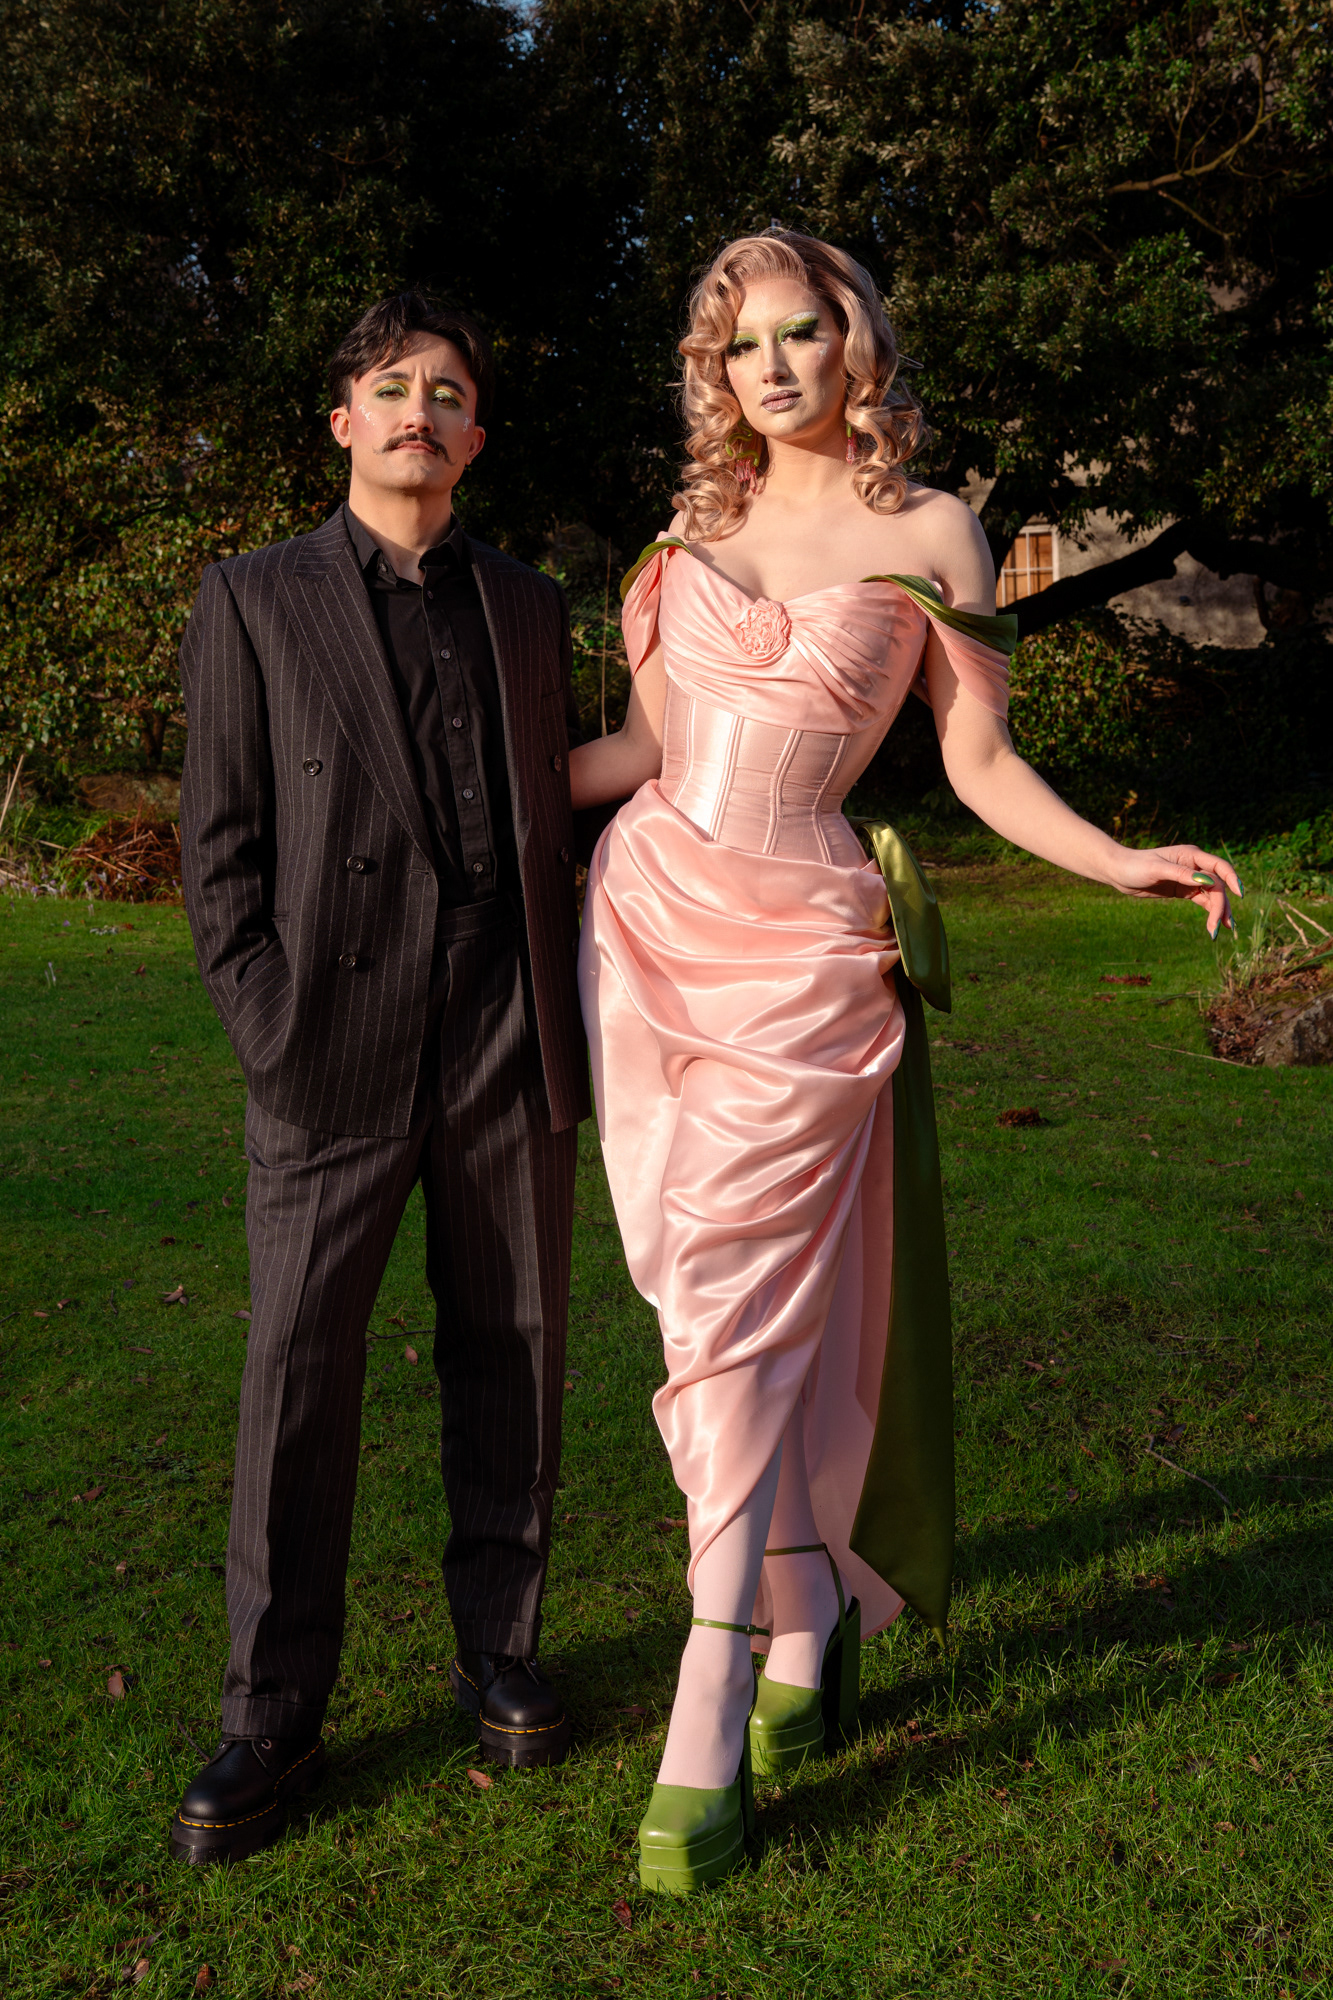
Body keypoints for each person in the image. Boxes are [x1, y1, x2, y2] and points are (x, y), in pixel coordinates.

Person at [571, 230, 1239, 1894]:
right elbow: (642, 749)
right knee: (695, 1295)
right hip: (649, 922)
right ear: (713, 373)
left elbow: (980, 760)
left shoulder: (938, 530)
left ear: (854, 343)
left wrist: (1114, 862)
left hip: (804, 950)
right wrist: (432, 782)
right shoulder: (692, 531)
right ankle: (805, 1613)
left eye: (802, 333)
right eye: (740, 347)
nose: (774, 368)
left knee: (751, 1310)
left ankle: (715, 1671)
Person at [172, 291, 587, 1866]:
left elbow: (558, 806)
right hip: (330, 1041)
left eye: (451, 391)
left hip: (501, 1024)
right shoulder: (254, 598)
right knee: (298, 1378)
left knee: (516, 1346)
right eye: (391, 386)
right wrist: (276, 1030)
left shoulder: (533, 605)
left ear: (477, 434)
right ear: (342, 421)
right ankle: (268, 1714)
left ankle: (503, 1649)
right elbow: (220, 859)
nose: (421, 409)